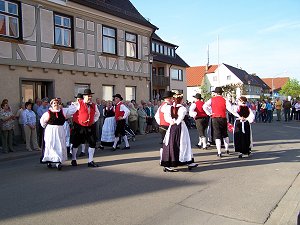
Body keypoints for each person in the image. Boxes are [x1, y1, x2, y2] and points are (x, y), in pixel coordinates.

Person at [160, 93, 198, 172]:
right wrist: (176, 122)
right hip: (180, 127)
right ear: (181, 100)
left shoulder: (168, 107)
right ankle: (179, 162)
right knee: (182, 143)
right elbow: (180, 118)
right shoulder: (182, 108)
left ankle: (186, 161)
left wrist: (171, 121)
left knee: (172, 143)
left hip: (172, 126)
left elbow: (166, 116)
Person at [40, 98, 77, 170]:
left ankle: (58, 162)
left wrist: (76, 103)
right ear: (51, 105)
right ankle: (50, 160)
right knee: (51, 145)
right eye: (54, 103)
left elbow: (72, 110)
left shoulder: (63, 112)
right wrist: (47, 128)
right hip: (51, 131)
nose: (56, 105)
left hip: (60, 131)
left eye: (57, 103)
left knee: (59, 145)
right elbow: (42, 122)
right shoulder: (47, 113)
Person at [203, 87, 239, 158]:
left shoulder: (211, 99)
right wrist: (238, 115)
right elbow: (231, 109)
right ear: (221, 93)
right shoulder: (225, 100)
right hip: (223, 118)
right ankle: (227, 149)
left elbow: (204, 106)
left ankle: (219, 152)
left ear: (215, 93)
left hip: (215, 118)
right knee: (225, 134)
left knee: (217, 135)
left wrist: (209, 113)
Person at [71, 89, 100, 167]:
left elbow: (97, 114)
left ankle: (90, 161)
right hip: (80, 126)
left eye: (90, 96)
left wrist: (94, 120)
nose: (90, 97)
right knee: (76, 143)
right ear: (84, 97)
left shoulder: (94, 105)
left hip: (90, 126)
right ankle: (73, 159)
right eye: (88, 96)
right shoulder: (78, 104)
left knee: (92, 142)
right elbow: (70, 112)